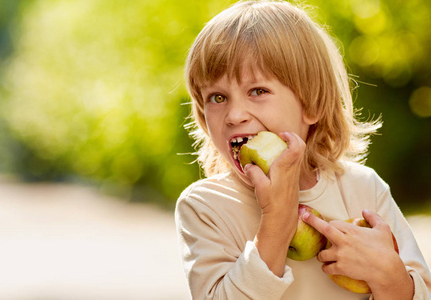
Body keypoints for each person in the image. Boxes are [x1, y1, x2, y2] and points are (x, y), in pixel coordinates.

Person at [174, 1, 431, 299]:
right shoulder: (206, 206)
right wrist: (276, 220)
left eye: (258, 91)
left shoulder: (364, 189)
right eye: (217, 97)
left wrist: (388, 277)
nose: (234, 115)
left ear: (311, 105)